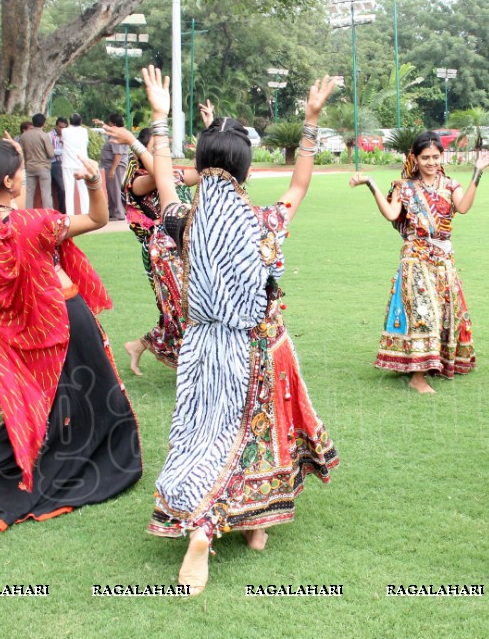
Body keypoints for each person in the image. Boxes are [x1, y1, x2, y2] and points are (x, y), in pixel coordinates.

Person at [141, 65, 340, 594]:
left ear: (200, 168)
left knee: (202, 434)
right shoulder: (264, 220)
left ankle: (254, 523)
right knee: (250, 435)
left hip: (201, 347)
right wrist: (311, 120)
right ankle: (207, 530)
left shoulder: (184, 219)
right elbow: (300, 183)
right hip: (258, 344)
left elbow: (162, 181)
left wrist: (160, 120)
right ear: (247, 171)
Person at [0, 135, 142, 530]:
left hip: (24, 334)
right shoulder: (35, 224)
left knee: (46, 406)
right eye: (17, 173)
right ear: (12, 184)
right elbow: (99, 220)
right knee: (91, 400)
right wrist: (95, 184)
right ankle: (101, 466)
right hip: (64, 317)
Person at [350, 133, 489, 393]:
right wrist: (372, 184)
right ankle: (418, 376)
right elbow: (392, 214)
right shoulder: (404, 187)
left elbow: (463, 207)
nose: (430, 162)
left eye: (435, 157)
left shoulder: (451, 185)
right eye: (425, 157)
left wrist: (478, 173)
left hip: (443, 259)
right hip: (415, 257)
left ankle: (431, 363)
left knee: (443, 312)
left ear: (441, 157)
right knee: (423, 312)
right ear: (414, 158)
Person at [104, 118, 203, 376]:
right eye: (156, 145)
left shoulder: (171, 175)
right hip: (161, 251)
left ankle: (139, 345)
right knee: (179, 307)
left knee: (183, 305)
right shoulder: (137, 181)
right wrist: (134, 143)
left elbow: (203, 173)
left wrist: (211, 134)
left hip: (185, 245)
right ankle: (194, 365)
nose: (163, 149)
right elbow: (161, 174)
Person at [20, 113, 55, 209]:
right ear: (44, 123)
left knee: (29, 193)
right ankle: (48, 214)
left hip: (29, 167)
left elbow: (22, 151)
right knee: (46, 193)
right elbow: (51, 154)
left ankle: (27, 214)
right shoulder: (44, 136)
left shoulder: (24, 136)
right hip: (43, 167)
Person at [96, 112, 128, 221]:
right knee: (111, 189)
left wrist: (113, 169)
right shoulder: (118, 132)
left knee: (115, 189)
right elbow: (107, 129)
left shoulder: (116, 135)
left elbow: (118, 154)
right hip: (112, 166)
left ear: (114, 124)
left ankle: (120, 212)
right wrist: (101, 124)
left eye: (110, 123)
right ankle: (112, 211)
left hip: (116, 166)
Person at [61, 113, 90, 214]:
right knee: (83, 189)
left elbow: (63, 140)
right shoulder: (84, 131)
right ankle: (85, 212)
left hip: (68, 164)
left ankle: (70, 214)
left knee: (69, 190)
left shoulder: (64, 131)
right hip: (81, 164)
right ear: (81, 122)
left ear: (69, 121)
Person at [49, 116, 68, 213]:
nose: (62, 129)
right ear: (56, 126)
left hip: (66, 164)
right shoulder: (50, 136)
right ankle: (62, 211)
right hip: (54, 164)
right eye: (60, 127)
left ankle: (65, 209)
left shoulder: (67, 136)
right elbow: (50, 151)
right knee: (61, 188)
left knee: (66, 189)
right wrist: (62, 151)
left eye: (64, 127)